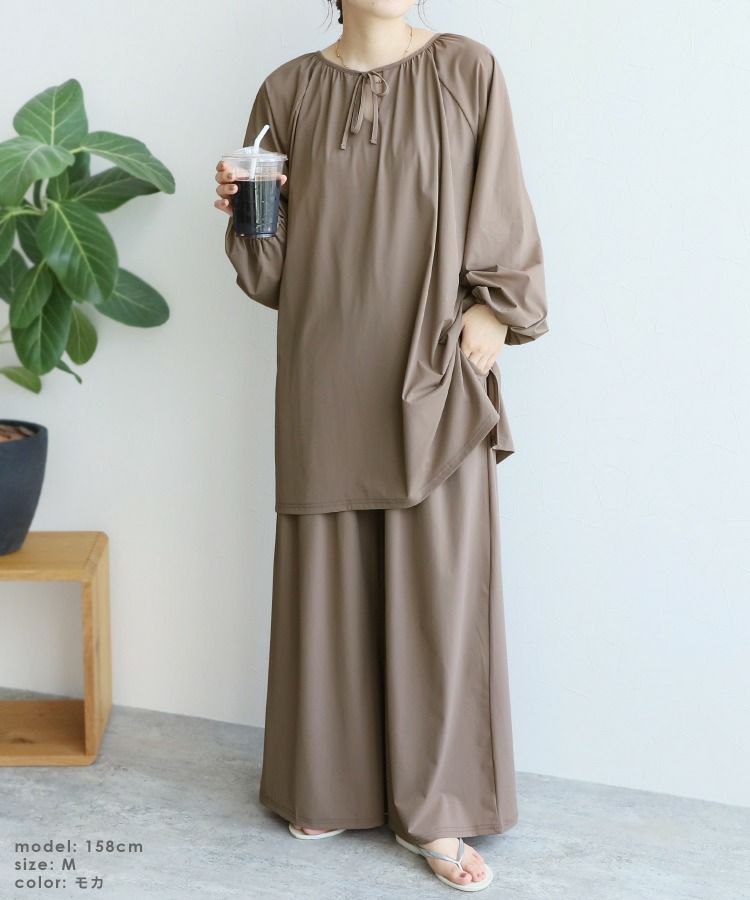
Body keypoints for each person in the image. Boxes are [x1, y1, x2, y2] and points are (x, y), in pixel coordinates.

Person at [216, 0, 548, 891]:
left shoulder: (467, 69)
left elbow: (503, 197)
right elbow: (272, 274)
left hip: (432, 363)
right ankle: (326, 784)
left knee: (440, 587)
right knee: (328, 581)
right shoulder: (287, 90)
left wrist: (494, 308)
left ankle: (437, 807)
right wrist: (249, 211)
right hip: (325, 365)